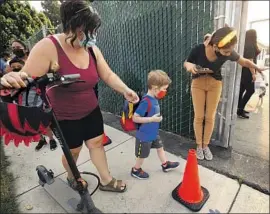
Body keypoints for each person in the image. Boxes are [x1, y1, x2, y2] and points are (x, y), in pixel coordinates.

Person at [0, 0, 139, 192]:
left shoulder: (91, 48)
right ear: (70, 26)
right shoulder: (48, 47)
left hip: (91, 109)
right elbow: (25, 78)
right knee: (73, 152)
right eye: (84, 30)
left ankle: (106, 180)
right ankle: (72, 176)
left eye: (92, 30)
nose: (90, 35)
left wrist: (125, 89)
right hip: (64, 117)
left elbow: (107, 74)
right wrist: (11, 77)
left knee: (97, 143)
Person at [184, 27, 268, 161]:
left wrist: (257, 68)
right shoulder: (198, 49)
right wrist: (190, 67)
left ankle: (206, 146)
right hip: (198, 83)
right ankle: (199, 146)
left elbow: (244, 61)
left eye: (230, 51)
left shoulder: (227, 52)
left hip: (215, 83)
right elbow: (187, 62)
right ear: (216, 46)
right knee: (199, 116)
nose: (229, 53)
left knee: (210, 116)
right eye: (226, 51)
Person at [131, 70, 179, 179]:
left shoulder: (154, 99)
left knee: (160, 147)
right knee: (142, 155)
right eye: (164, 89)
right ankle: (135, 170)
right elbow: (135, 118)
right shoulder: (146, 102)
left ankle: (165, 164)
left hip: (153, 132)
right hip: (144, 135)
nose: (165, 91)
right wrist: (152, 119)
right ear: (155, 88)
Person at [237, 29, 261, 119]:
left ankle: (239, 108)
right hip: (248, 71)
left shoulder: (244, 44)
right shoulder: (250, 45)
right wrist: (253, 73)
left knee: (241, 90)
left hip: (243, 70)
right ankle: (240, 109)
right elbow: (250, 60)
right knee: (251, 90)